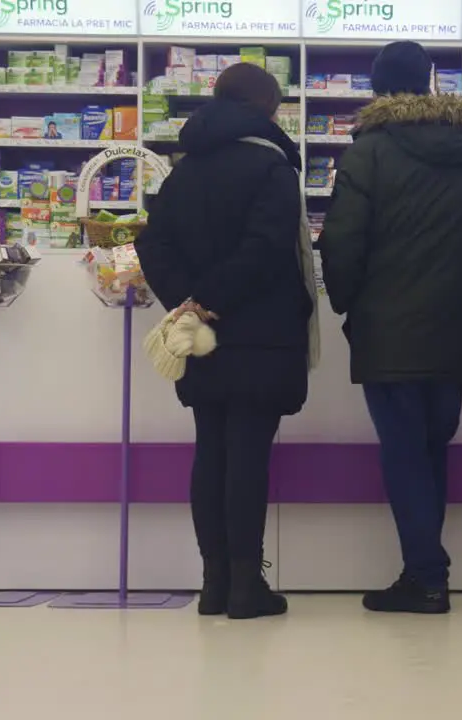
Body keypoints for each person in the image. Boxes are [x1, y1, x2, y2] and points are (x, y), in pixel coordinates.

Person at [320, 41, 462, 615]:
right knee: (430, 449)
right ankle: (425, 572)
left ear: (376, 88)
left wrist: (347, 305)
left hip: (385, 331)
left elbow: (340, 240)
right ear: (431, 84)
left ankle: (426, 577)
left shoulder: (368, 152)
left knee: (404, 452)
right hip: (452, 330)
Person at [136, 62, 317, 620]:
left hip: (202, 339)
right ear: (267, 108)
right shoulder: (272, 167)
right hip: (260, 333)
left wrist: (187, 304)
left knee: (210, 450)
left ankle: (214, 585)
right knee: (247, 458)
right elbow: (266, 249)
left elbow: (151, 244)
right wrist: (210, 299)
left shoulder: (183, 171)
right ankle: (246, 586)